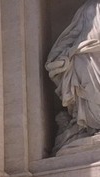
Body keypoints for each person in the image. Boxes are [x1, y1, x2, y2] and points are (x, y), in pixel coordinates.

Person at [46, 0, 100, 151]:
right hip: (86, 55)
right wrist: (59, 56)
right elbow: (71, 34)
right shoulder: (89, 8)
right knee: (78, 61)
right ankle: (93, 125)